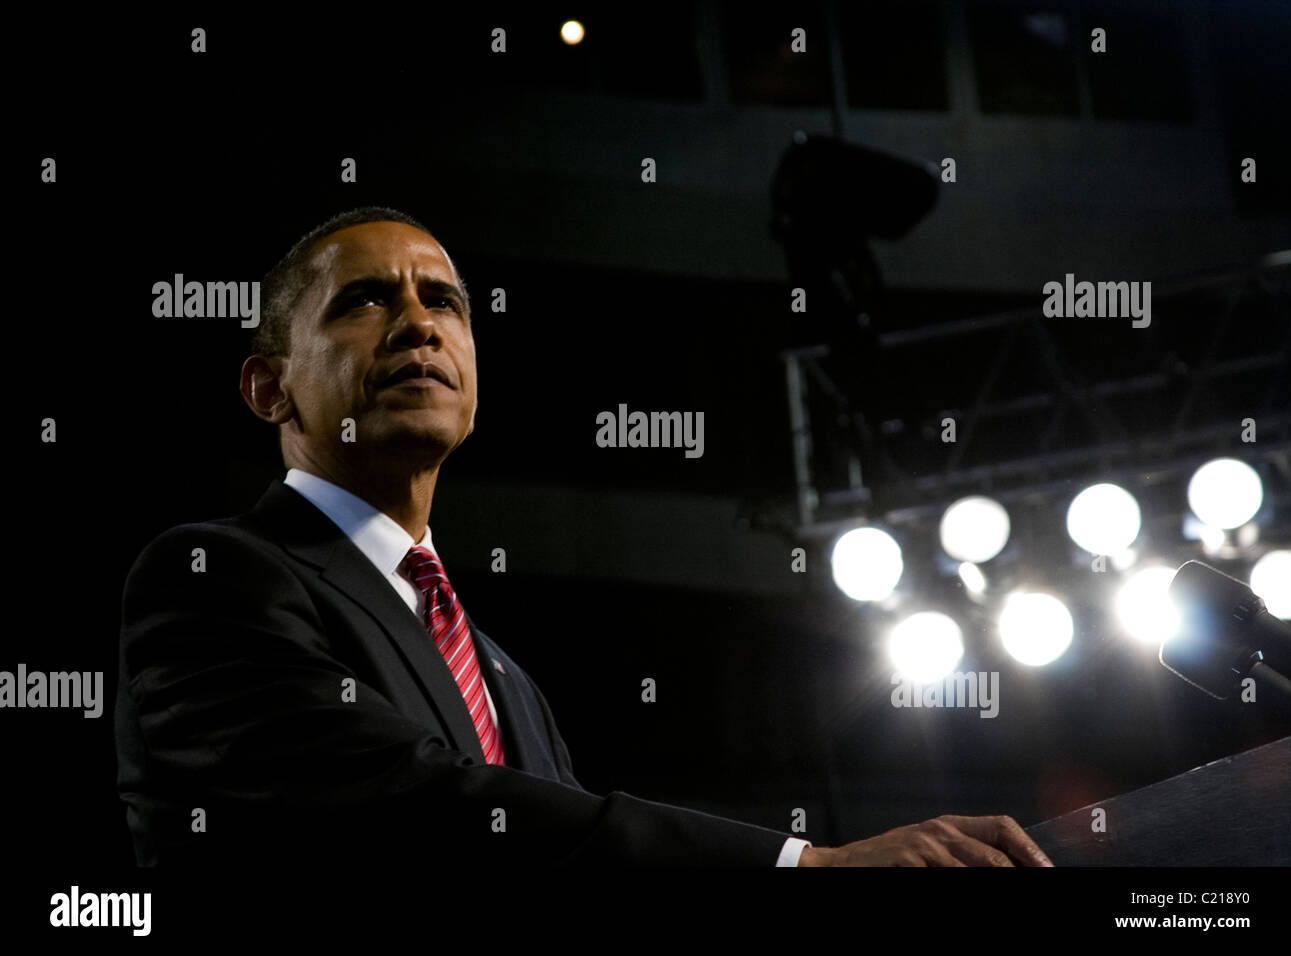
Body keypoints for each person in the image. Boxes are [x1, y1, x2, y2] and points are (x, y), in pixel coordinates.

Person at [115, 206, 1052, 868]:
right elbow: (403, 808)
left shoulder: (505, 679)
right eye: (363, 300)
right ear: (268, 389)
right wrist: (801, 865)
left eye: (444, 302)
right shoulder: (213, 579)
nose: (416, 324)